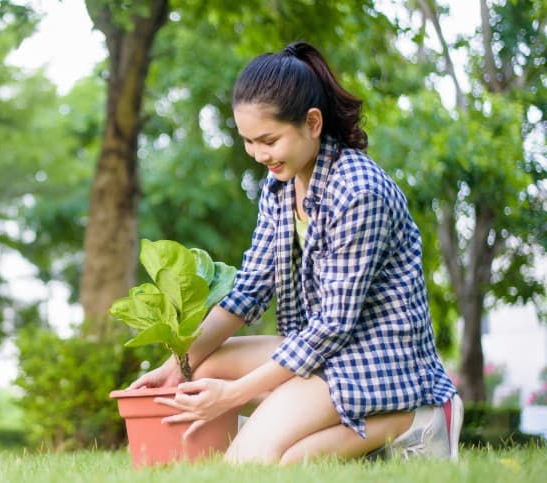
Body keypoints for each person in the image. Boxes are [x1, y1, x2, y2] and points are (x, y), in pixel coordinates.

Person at [129, 41, 463, 465]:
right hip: (322, 353)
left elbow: (333, 326)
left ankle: (416, 418)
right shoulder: (279, 187)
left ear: (312, 122)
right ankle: (340, 435)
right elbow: (249, 291)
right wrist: (178, 363)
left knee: (258, 463)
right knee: (201, 369)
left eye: (268, 139)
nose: (258, 155)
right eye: (248, 141)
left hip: (373, 359)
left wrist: (234, 395)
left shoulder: (358, 191)